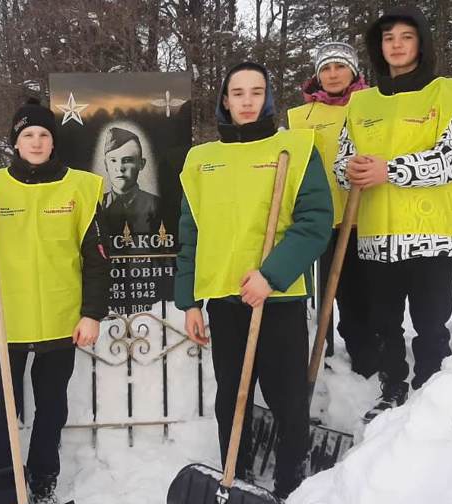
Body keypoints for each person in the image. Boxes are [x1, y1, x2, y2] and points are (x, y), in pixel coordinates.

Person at [175, 62, 332, 500]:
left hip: (277, 298)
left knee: (287, 399)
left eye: (256, 91)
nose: (247, 101)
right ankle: (235, 474)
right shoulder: (201, 160)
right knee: (231, 398)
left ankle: (289, 484)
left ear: (268, 97)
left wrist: (271, 275)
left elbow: (316, 223)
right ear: (224, 99)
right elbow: (190, 233)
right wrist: (189, 301)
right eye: (237, 92)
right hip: (224, 299)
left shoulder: (296, 149)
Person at [334, 6, 452, 421]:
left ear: (421, 42)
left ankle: (431, 394)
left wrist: (391, 170)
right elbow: (342, 160)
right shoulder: (361, 102)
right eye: (388, 38)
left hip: (430, 236)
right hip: (376, 239)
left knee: (430, 325)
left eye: (406, 36)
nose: (396, 45)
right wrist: (348, 169)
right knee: (384, 325)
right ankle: (393, 388)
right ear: (377, 46)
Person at [0, 98, 110, 504]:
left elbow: (95, 259)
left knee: (51, 409)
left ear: (53, 141)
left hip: (61, 320)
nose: (37, 141)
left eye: (44, 134)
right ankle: (3, 484)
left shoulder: (79, 186)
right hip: (6, 321)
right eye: (28, 135)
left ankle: (43, 480)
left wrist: (91, 314)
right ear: (15, 142)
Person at [287, 42, 377, 377]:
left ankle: (365, 365)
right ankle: (319, 363)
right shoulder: (299, 117)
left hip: (361, 220)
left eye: (340, 66)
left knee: (358, 301)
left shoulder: (372, 106)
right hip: (317, 222)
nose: (333, 74)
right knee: (320, 299)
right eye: (326, 68)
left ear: (353, 71)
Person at [101, 126, 161, 234]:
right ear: (106, 165)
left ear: (141, 164)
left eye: (127, 160)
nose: (120, 168)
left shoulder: (156, 204)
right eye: (113, 160)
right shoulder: (97, 205)